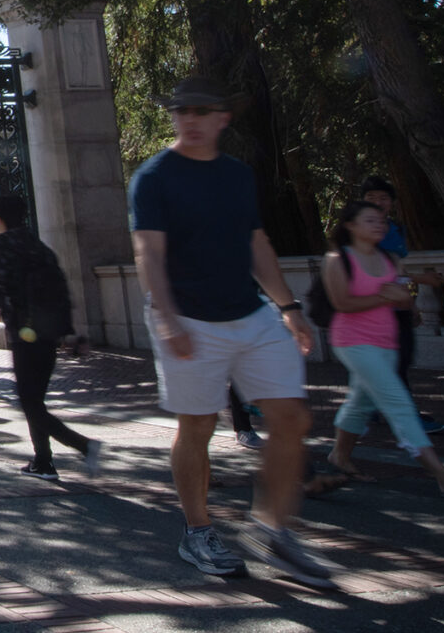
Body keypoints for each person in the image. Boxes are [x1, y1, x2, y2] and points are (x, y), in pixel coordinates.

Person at [131, 76, 336, 588]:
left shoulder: (238, 175)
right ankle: (198, 530)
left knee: (291, 415)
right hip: (187, 316)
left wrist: (288, 306)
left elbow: (257, 243)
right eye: (182, 111)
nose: (191, 119)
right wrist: (166, 317)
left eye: (202, 110)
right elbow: (149, 253)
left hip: (250, 312)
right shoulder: (154, 176)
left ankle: (273, 529)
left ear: (223, 117)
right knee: (197, 426)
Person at [321, 200, 444, 495]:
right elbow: (342, 304)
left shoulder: (390, 259)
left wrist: (410, 293)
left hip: (386, 341)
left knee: (361, 402)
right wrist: (386, 297)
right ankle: (442, 475)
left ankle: (339, 455)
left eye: (382, 221)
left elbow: (398, 289)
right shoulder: (337, 259)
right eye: (370, 220)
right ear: (350, 225)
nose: (379, 225)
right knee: (397, 401)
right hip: (352, 342)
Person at [0, 196, 100, 482]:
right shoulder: (40, 247)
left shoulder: (2, 248)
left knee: (30, 402)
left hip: (23, 333)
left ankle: (84, 446)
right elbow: (61, 289)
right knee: (35, 400)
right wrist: (67, 332)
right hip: (48, 333)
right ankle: (43, 461)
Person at [357, 175, 444, 435]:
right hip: (372, 309)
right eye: (371, 198)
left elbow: (398, 268)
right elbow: (376, 275)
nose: (377, 203)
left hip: (396, 307)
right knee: (396, 362)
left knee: (398, 360)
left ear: (393, 203)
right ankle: (406, 418)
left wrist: (411, 303)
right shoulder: (358, 233)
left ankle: (371, 407)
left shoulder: (395, 229)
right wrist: (423, 279)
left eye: (383, 198)